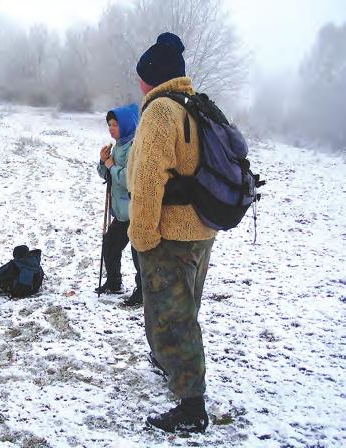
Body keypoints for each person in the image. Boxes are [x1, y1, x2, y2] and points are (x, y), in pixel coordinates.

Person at [127, 32, 217, 433]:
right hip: (201, 229)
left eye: (142, 76)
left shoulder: (160, 111)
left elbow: (147, 181)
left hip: (170, 234)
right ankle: (171, 364)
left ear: (153, 77)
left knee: (172, 317)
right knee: (185, 309)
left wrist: (142, 235)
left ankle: (192, 407)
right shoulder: (195, 106)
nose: (140, 84)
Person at [94, 103, 143, 306]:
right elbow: (105, 174)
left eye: (115, 124)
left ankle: (142, 292)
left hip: (136, 210)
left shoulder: (135, 147)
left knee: (138, 254)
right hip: (122, 212)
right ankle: (114, 282)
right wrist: (103, 161)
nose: (111, 128)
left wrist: (112, 165)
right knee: (110, 244)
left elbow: (130, 179)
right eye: (109, 125)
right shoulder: (118, 146)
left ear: (127, 125)